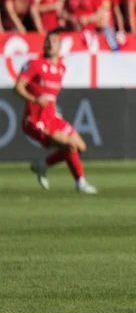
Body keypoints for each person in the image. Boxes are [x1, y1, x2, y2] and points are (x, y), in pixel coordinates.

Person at [14, 31, 97, 194]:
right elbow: (18, 88)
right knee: (69, 145)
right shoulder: (34, 64)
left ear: (60, 47)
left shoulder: (61, 68)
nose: (50, 44)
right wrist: (34, 99)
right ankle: (80, 182)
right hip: (35, 119)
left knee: (81, 146)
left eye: (54, 42)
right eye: (48, 41)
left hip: (52, 117)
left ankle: (42, 165)